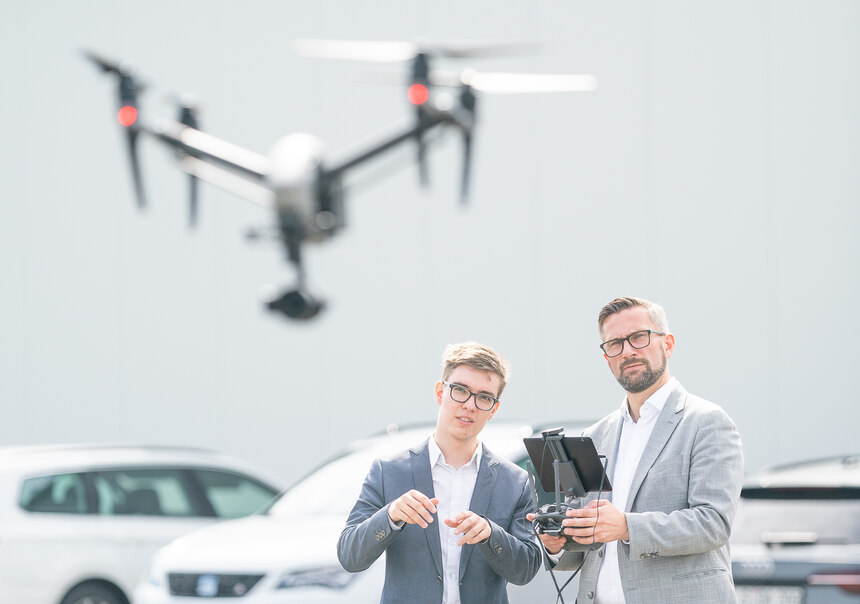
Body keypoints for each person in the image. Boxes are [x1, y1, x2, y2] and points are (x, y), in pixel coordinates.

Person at [530, 297, 744, 603]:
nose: (627, 351)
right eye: (614, 343)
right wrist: (556, 543)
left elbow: (713, 524)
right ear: (606, 358)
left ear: (667, 344)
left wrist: (626, 526)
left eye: (638, 337)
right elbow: (586, 547)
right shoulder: (595, 435)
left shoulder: (706, 422)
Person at [337, 342, 541, 604]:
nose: (470, 405)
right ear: (440, 392)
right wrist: (391, 515)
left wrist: (491, 533)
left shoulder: (516, 482)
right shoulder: (388, 471)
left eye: (484, 397)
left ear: (494, 409)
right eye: (460, 390)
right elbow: (349, 557)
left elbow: (525, 570)